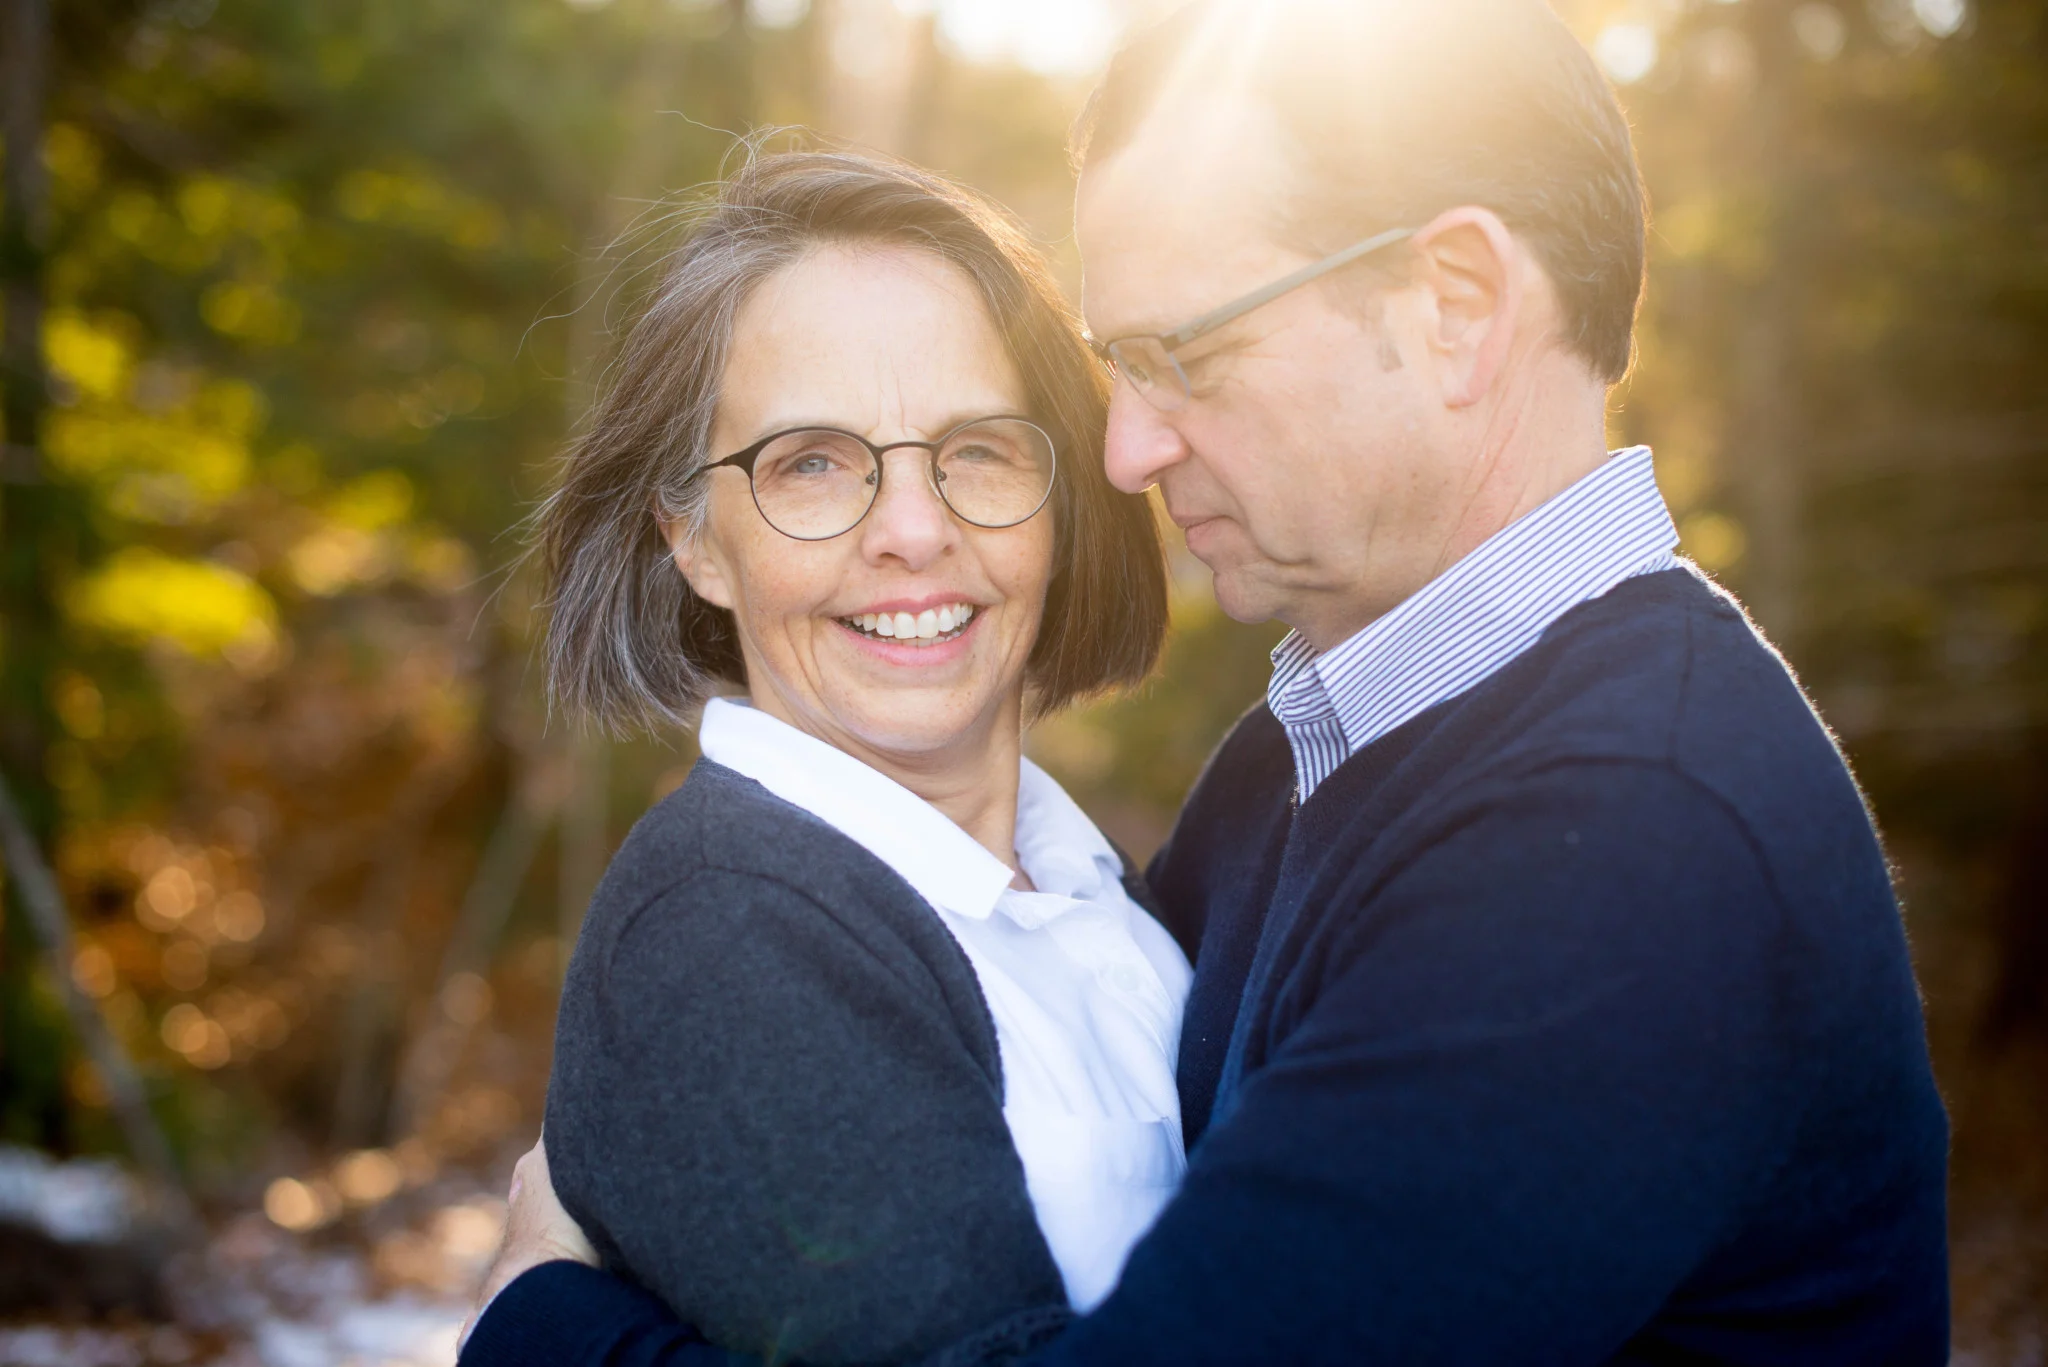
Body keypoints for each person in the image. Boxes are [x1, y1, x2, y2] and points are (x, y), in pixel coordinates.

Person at [462, 1, 1952, 1363]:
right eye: (1121, 369)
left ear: (1457, 304)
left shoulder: (1626, 824)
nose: (1128, 452)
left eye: (1184, 353)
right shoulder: (1296, 771)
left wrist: (550, 1335)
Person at [484, 148, 1185, 1366]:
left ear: (1059, 499)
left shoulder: (1088, 884)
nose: (913, 531)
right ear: (694, 539)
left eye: (976, 447)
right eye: (809, 462)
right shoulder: (729, 923)